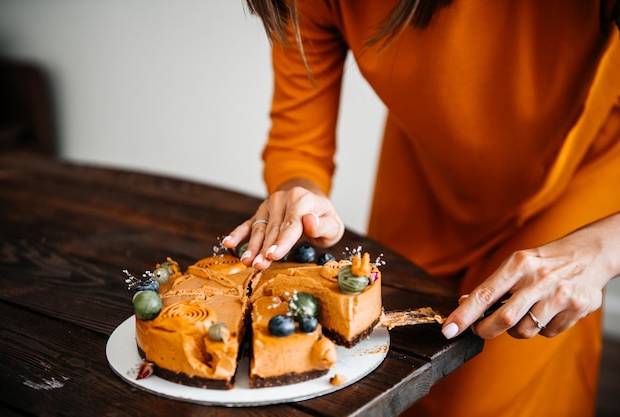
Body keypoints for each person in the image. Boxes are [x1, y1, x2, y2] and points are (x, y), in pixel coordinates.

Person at [223, 1, 620, 416]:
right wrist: (299, 189)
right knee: (393, 385)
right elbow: (298, 141)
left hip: (575, 174)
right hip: (423, 177)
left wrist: (603, 249)